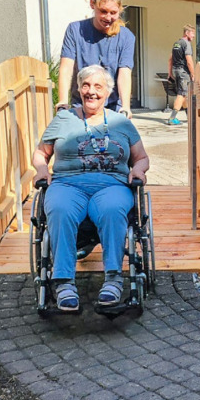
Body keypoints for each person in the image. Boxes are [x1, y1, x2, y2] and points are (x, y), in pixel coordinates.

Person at [32, 65, 150, 312]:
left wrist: (138, 170)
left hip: (111, 185)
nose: (91, 92)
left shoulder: (121, 122)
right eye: (86, 85)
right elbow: (41, 153)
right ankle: (64, 282)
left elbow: (141, 157)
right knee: (61, 209)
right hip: (67, 184)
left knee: (111, 209)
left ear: (108, 92)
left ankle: (114, 280)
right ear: (78, 89)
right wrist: (41, 169)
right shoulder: (63, 119)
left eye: (98, 86)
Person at [58, 0, 135, 117]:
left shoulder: (126, 36)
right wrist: (63, 102)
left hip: (112, 108)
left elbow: (124, 73)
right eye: (103, 11)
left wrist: (126, 106)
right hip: (82, 105)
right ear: (92, 4)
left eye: (113, 13)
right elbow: (66, 68)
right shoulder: (75, 30)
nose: (108, 17)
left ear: (119, 10)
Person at [166, 24, 196, 125]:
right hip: (183, 72)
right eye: (192, 33)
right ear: (187, 33)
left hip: (176, 71)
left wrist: (170, 73)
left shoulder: (176, 43)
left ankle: (190, 117)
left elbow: (170, 59)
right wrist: (193, 73)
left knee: (184, 94)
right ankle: (172, 118)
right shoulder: (186, 44)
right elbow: (189, 61)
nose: (194, 36)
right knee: (182, 94)